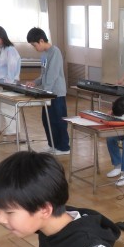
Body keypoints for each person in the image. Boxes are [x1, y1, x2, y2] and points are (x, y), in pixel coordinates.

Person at [25, 27, 70, 156]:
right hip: (47, 93)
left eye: (34, 45)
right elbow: (44, 74)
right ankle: (53, 145)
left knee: (58, 120)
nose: (35, 48)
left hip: (56, 93)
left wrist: (44, 92)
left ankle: (64, 147)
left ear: (41, 40)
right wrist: (35, 82)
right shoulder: (44, 54)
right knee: (47, 120)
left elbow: (52, 75)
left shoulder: (55, 52)